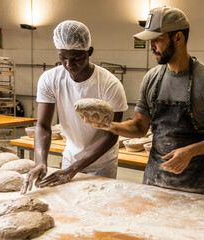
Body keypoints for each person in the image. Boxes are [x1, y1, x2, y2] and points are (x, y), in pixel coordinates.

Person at [85, 6, 204, 195]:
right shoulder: (151, 78)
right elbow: (140, 127)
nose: (151, 47)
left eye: (157, 40)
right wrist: (109, 126)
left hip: (192, 188)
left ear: (178, 38)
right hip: (152, 182)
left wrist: (189, 151)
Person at [21, 20, 128, 194]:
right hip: (70, 157)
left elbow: (111, 135)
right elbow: (43, 126)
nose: (69, 65)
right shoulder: (50, 79)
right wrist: (41, 162)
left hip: (102, 163)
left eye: (76, 58)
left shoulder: (109, 84)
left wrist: (73, 170)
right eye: (63, 58)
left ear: (89, 52)